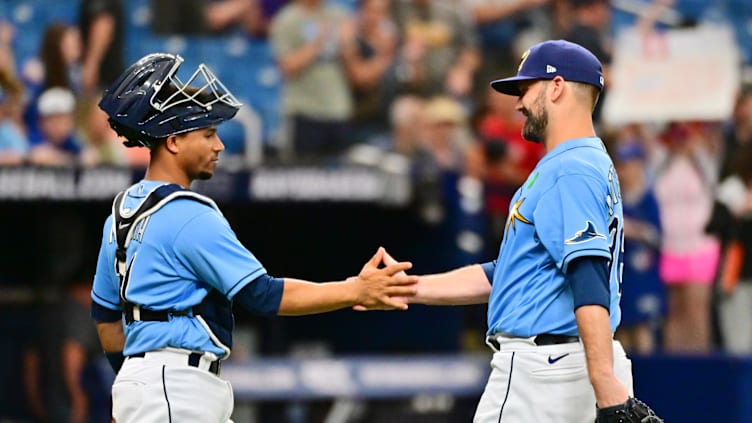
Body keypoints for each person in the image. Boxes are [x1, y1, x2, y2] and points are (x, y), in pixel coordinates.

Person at [89, 52, 418, 422]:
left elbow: (106, 319)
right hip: (176, 387)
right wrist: (355, 290)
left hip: (151, 384)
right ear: (173, 141)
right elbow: (262, 295)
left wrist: (134, 379)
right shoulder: (188, 213)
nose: (219, 146)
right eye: (208, 134)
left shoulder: (121, 209)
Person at [368, 40, 663, 422]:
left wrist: (604, 383)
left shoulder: (569, 169)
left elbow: (587, 273)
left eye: (526, 89)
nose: (519, 103)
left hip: (545, 372)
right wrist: (409, 287)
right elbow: (509, 272)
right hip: (566, 362)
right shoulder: (584, 161)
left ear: (556, 87)